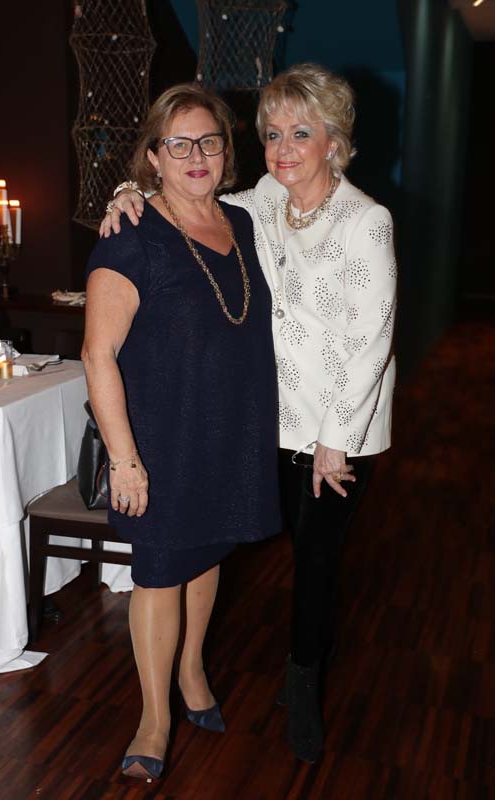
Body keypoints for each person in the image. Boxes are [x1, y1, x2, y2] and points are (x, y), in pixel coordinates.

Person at [102, 63, 397, 763]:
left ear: (334, 141)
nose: (284, 148)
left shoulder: (365, 221)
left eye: (302, 133)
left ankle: (303, 685)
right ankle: (191, 689)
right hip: (267, 421)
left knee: (315, 564)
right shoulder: (264, 200)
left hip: (336, 431)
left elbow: (371, 339)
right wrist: (129, 191)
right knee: (230, 544)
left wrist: (335, 440)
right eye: (272, 134)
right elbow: (191, 194)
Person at [83, 82, 281, 782]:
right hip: (162, 441)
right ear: (153, 156)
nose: (196, 156)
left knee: (207, 552)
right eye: (178, 144)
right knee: (160, 571)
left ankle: (192, 671)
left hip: (230, 430)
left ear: (227, 152)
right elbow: (97, 355)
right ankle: (153, 718)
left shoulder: (245, 221)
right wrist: (124, 460)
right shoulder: (130, 234)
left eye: (209, 141)